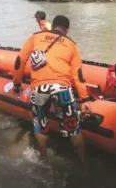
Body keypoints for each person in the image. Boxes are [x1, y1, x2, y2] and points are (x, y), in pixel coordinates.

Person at [13, 15, 93, 165]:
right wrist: (85, 99)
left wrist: (17, 83)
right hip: (62, 88)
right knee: (73, 128)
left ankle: (44, 159)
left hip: (39, 88)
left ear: (53, 25)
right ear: (67, 29)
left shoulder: (35, 37)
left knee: (40, 125)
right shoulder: (72, 44)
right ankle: (83, 165)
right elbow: (78, 75)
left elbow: (20, 60)